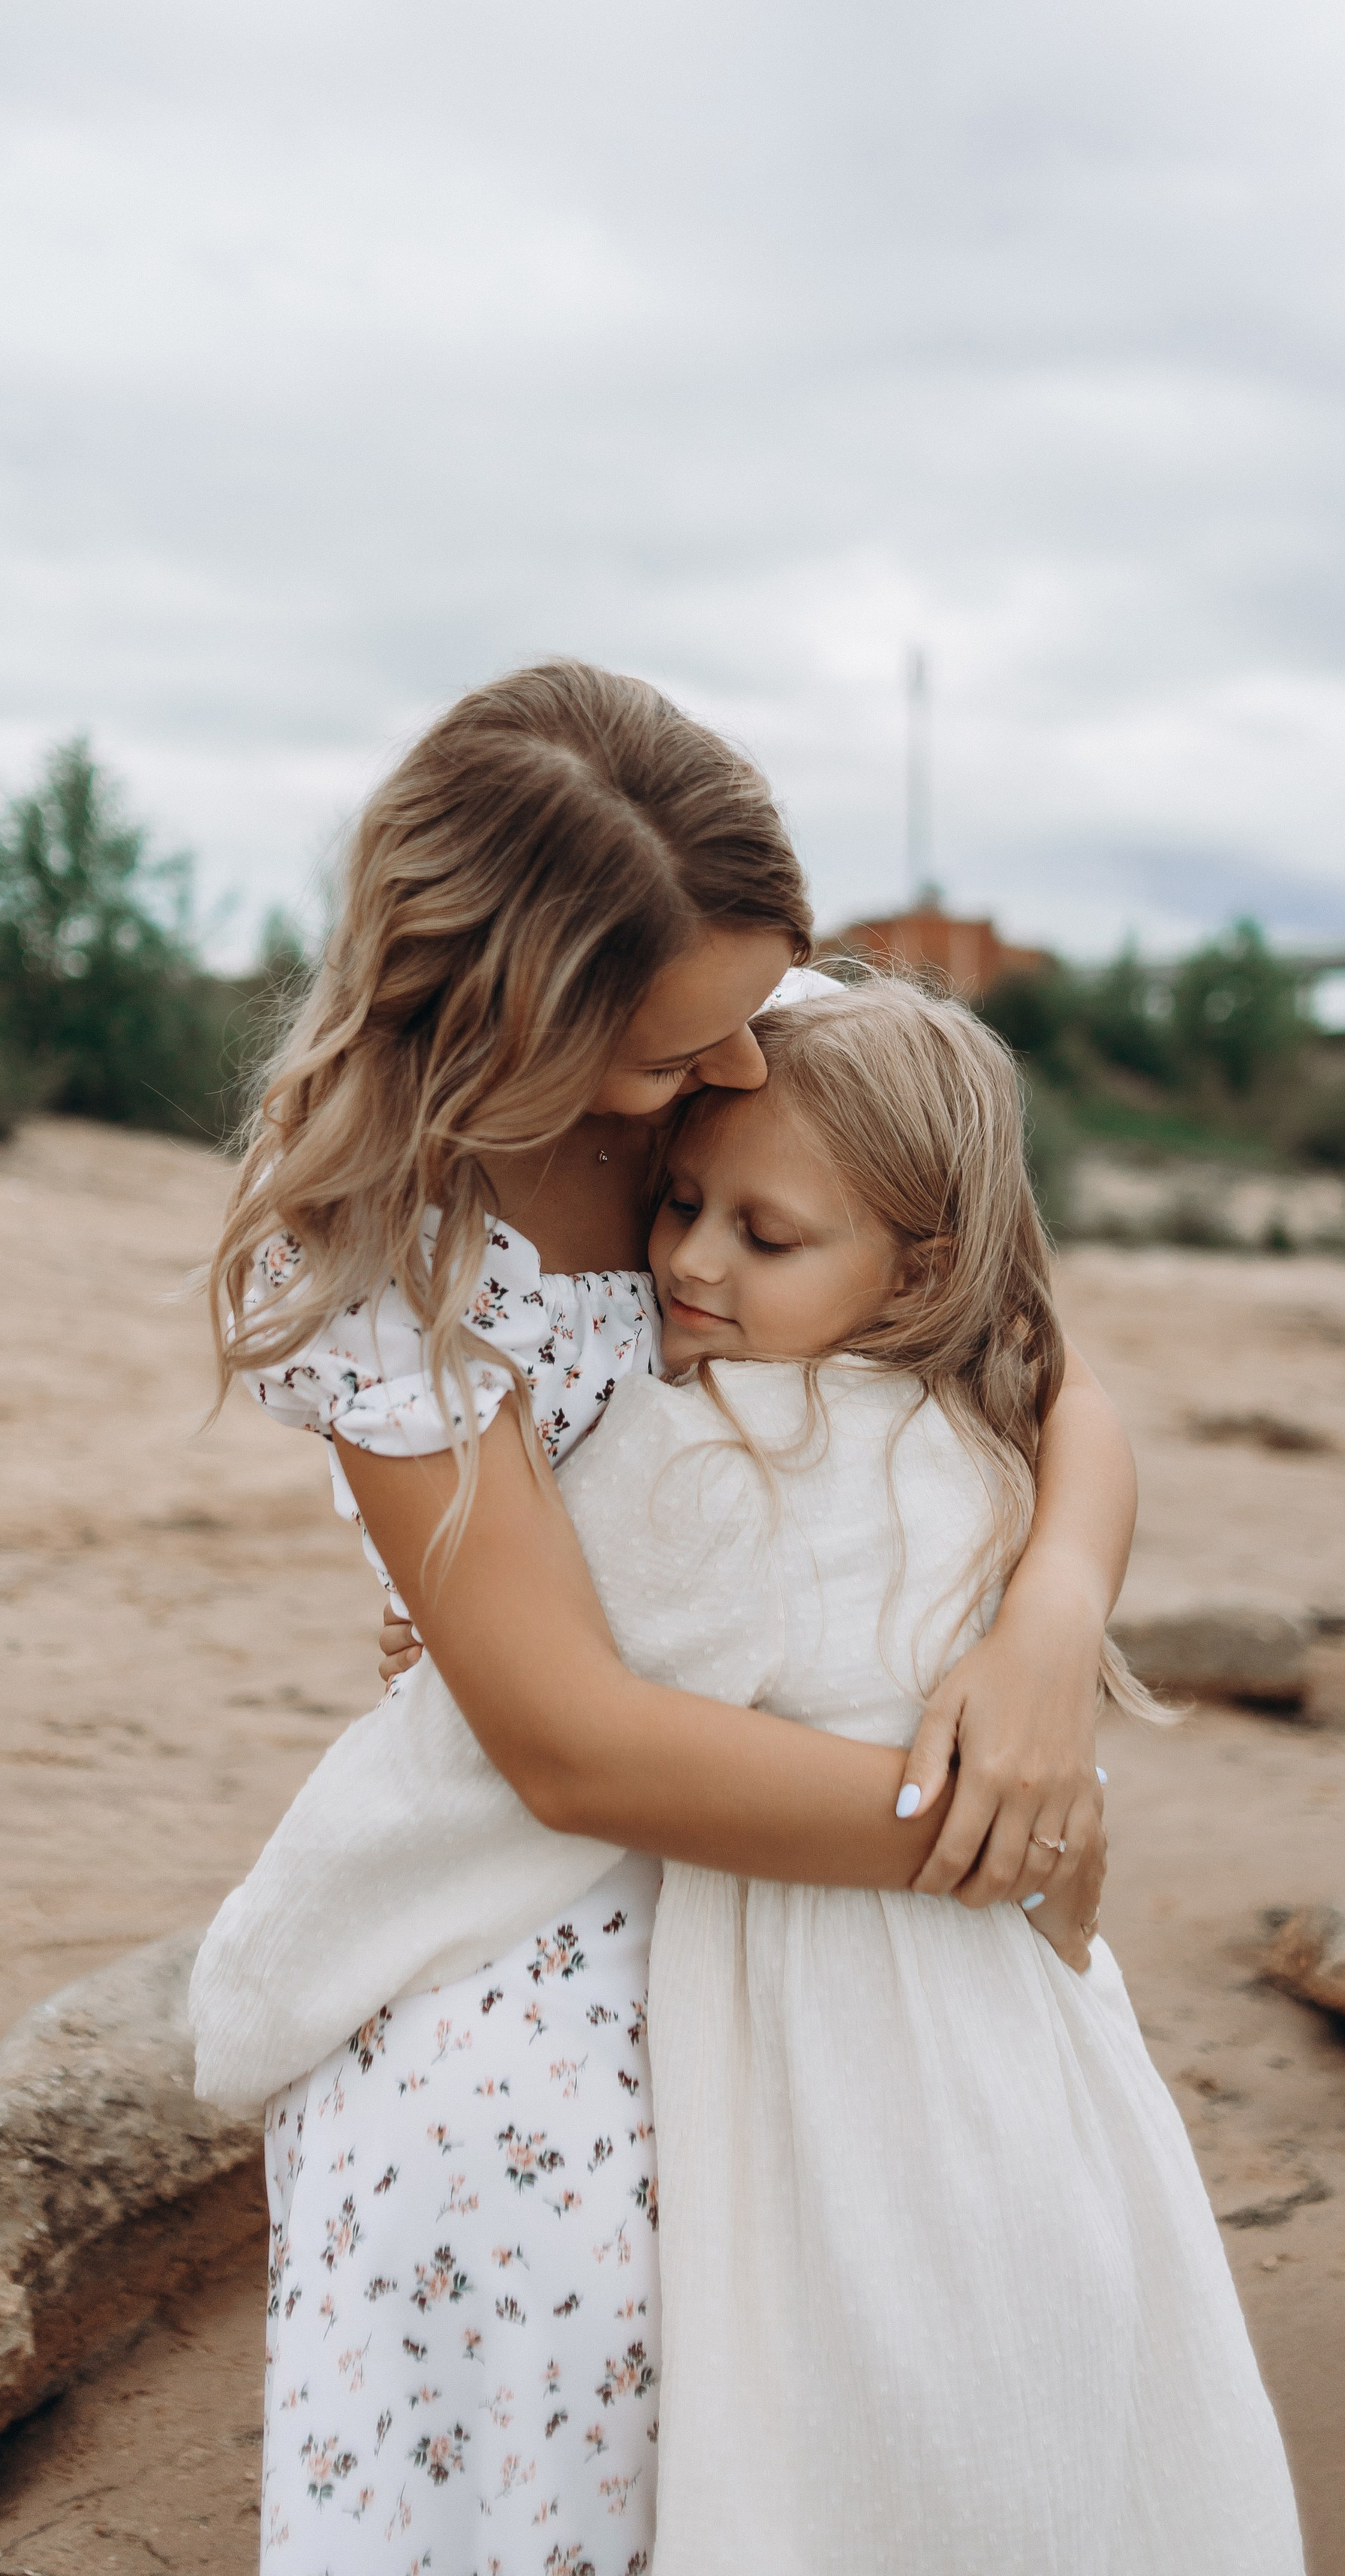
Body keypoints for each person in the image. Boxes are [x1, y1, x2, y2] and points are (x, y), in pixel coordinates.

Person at [195, 661, 1139, 2571]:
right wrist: (990, 1831)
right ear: (511, 1021)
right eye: (669, 1055)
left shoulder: (751, 1039)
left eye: (746, 1015)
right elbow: (565, 1744)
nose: (727, 1079)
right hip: (542, 1869)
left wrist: (1045, 1633)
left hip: (810, 1830)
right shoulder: (387, 1244)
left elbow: (1047, 1369)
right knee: (563, 2254)